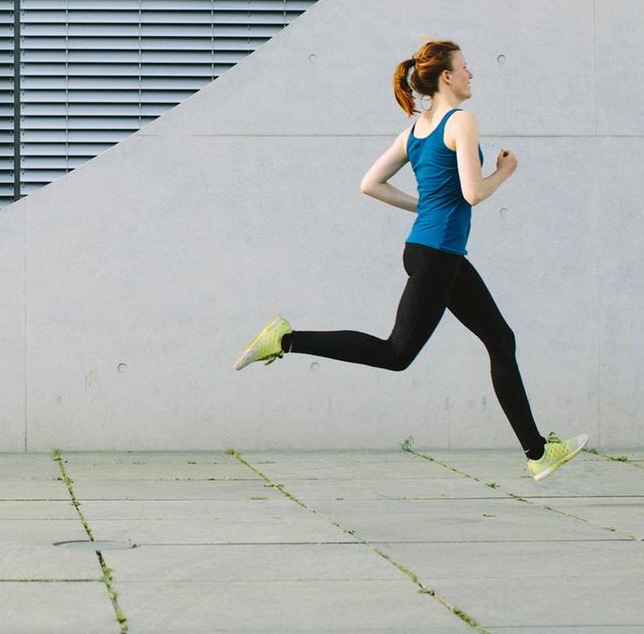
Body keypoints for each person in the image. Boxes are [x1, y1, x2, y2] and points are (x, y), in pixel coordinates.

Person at [232, 39, 586, 481]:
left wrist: (425, 207)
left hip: (435, 251)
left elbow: (370, 183)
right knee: (396, 353)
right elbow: (473, 194)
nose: (471, 74)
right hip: (437, 255)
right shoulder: (462, 121)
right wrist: (504, 173)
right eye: (465, 67)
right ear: (447, 77)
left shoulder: (416, 131)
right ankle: (286, 339)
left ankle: (538, 453)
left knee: (500, 338)